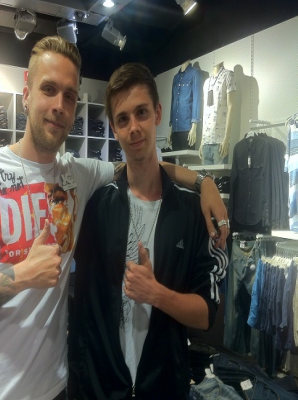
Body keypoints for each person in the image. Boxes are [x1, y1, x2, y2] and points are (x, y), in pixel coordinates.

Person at [0, 36, 228, 400]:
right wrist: (22, 275)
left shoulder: (78, 175)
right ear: (26, 94)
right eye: (48, 89)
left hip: (59, 386)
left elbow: (138, 162)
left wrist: (204, 182)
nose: (59, 105)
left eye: (70, 96)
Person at [69, 63, 229, 399]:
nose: (134, 128)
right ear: (114, 129)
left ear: (157, 113)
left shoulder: (191, 212)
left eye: (141, 112)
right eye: (123, 119)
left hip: (163, 387)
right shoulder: (95, 205)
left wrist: (157, 294)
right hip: (101, 387)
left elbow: (207, 315)